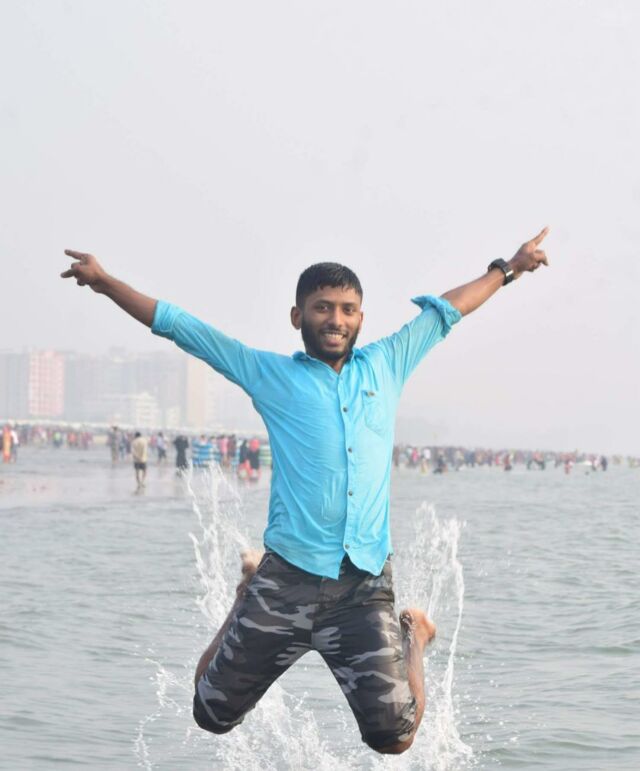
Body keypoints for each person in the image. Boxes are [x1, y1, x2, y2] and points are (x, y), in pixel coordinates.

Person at [60, 227, 549, 754]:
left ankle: (417, 634)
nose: (335, 319)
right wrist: (107, 283)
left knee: (395, 737)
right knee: (210, 713)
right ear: (298, 316)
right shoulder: (268, 375)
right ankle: (246, 595)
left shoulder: (387, 363)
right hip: (286, 580)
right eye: (322, 308)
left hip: (362, 587)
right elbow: (183, 327)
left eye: (347, 309)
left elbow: (448, 311)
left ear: (360, 318)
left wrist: (510, 267)